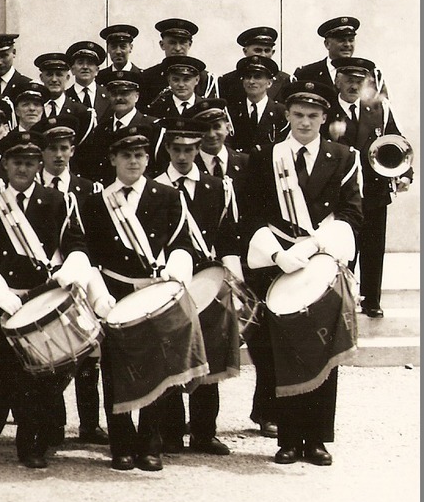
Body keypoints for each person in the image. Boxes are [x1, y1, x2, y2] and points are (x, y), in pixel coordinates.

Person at [0, 129, 90, 469]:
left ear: (38, 164)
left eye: (29, 163)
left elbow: (75, 245)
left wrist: (67, 271)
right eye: (16, 162)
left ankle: (32, 449)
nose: (22, 169)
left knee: (37, 382)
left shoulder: (58, 202)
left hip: (38, 302)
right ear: (5, 164)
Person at [239, 80, 362, 466]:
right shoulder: (265, 157)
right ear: (286, 116)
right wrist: (277, 255)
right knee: (283, 351)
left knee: (322, 350)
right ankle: (289, 439)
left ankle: (317, 438)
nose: (305, 122)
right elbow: (252, 214)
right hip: (279, 265)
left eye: (313, 116)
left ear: (325, 118)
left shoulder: (343, 156)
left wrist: (314, 246)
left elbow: (352, 214)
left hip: (321, 261)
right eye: (297, 115)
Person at [76, 126, 199, 472]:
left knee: (157, 368)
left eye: (139, 155)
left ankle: (151, 443)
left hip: (154, 292)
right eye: (126, 155)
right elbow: (87, 254)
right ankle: (121, 444)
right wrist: (99, 295)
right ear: (113, 159)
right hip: (115, 292)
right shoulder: (96, 203)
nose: (133, 161)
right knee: (115, 371)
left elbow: (181, 244)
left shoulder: (168, 196)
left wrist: (175, 272)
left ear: (148, 158)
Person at [153, 116, 242, 456]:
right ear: (168, 149)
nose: (183, 156)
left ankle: (205, 433)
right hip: (172, 281)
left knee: (210, 359)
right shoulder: (156, 186)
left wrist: (233, 277)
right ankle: (171, 432)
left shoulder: (217, 187)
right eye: (176, 149)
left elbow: (227, 236)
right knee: (172, 357)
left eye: (190, 149)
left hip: (208, 281)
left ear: (198, 147)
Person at [35, 122, 110, 445]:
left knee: (88, 356)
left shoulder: (89, 189)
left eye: (65, 148)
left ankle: (89, 424)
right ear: (42, 153)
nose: (59, 155)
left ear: (73, 151)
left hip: (83, 275)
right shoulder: (31, 187)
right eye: (52, 148)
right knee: (51, 356)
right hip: (45, 279)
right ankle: (52, 426)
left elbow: (95, 238)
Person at [324, 57, 410, 318]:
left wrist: (406, 173)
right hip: (340, 192)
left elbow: (396, 140)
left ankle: (371, 300)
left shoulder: (379, 109)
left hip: (374, 189)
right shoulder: (327, 110)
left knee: (373, 248)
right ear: (337, 80)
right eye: (348, 79)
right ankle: (341, 300)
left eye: (359, 80)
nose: (353, 85)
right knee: (342, 247)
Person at [293, 16, 387, 99]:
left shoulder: (370, 73)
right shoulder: (306, 74)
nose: (347, 45)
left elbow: (381, 110)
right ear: (327, 44)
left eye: (351, 40)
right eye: (341, 40)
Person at [226, 55, 289, 154]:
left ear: (269, 83)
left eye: (257, 77)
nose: (251, 81)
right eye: (248, 77)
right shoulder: (232, 112)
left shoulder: (281, 112)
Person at [218, 27, 293, 106]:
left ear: (273, 52)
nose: (263, 55)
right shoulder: (227, 81)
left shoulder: (285, 81)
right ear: (245, 51)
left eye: (267, 51)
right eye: (258, 50)